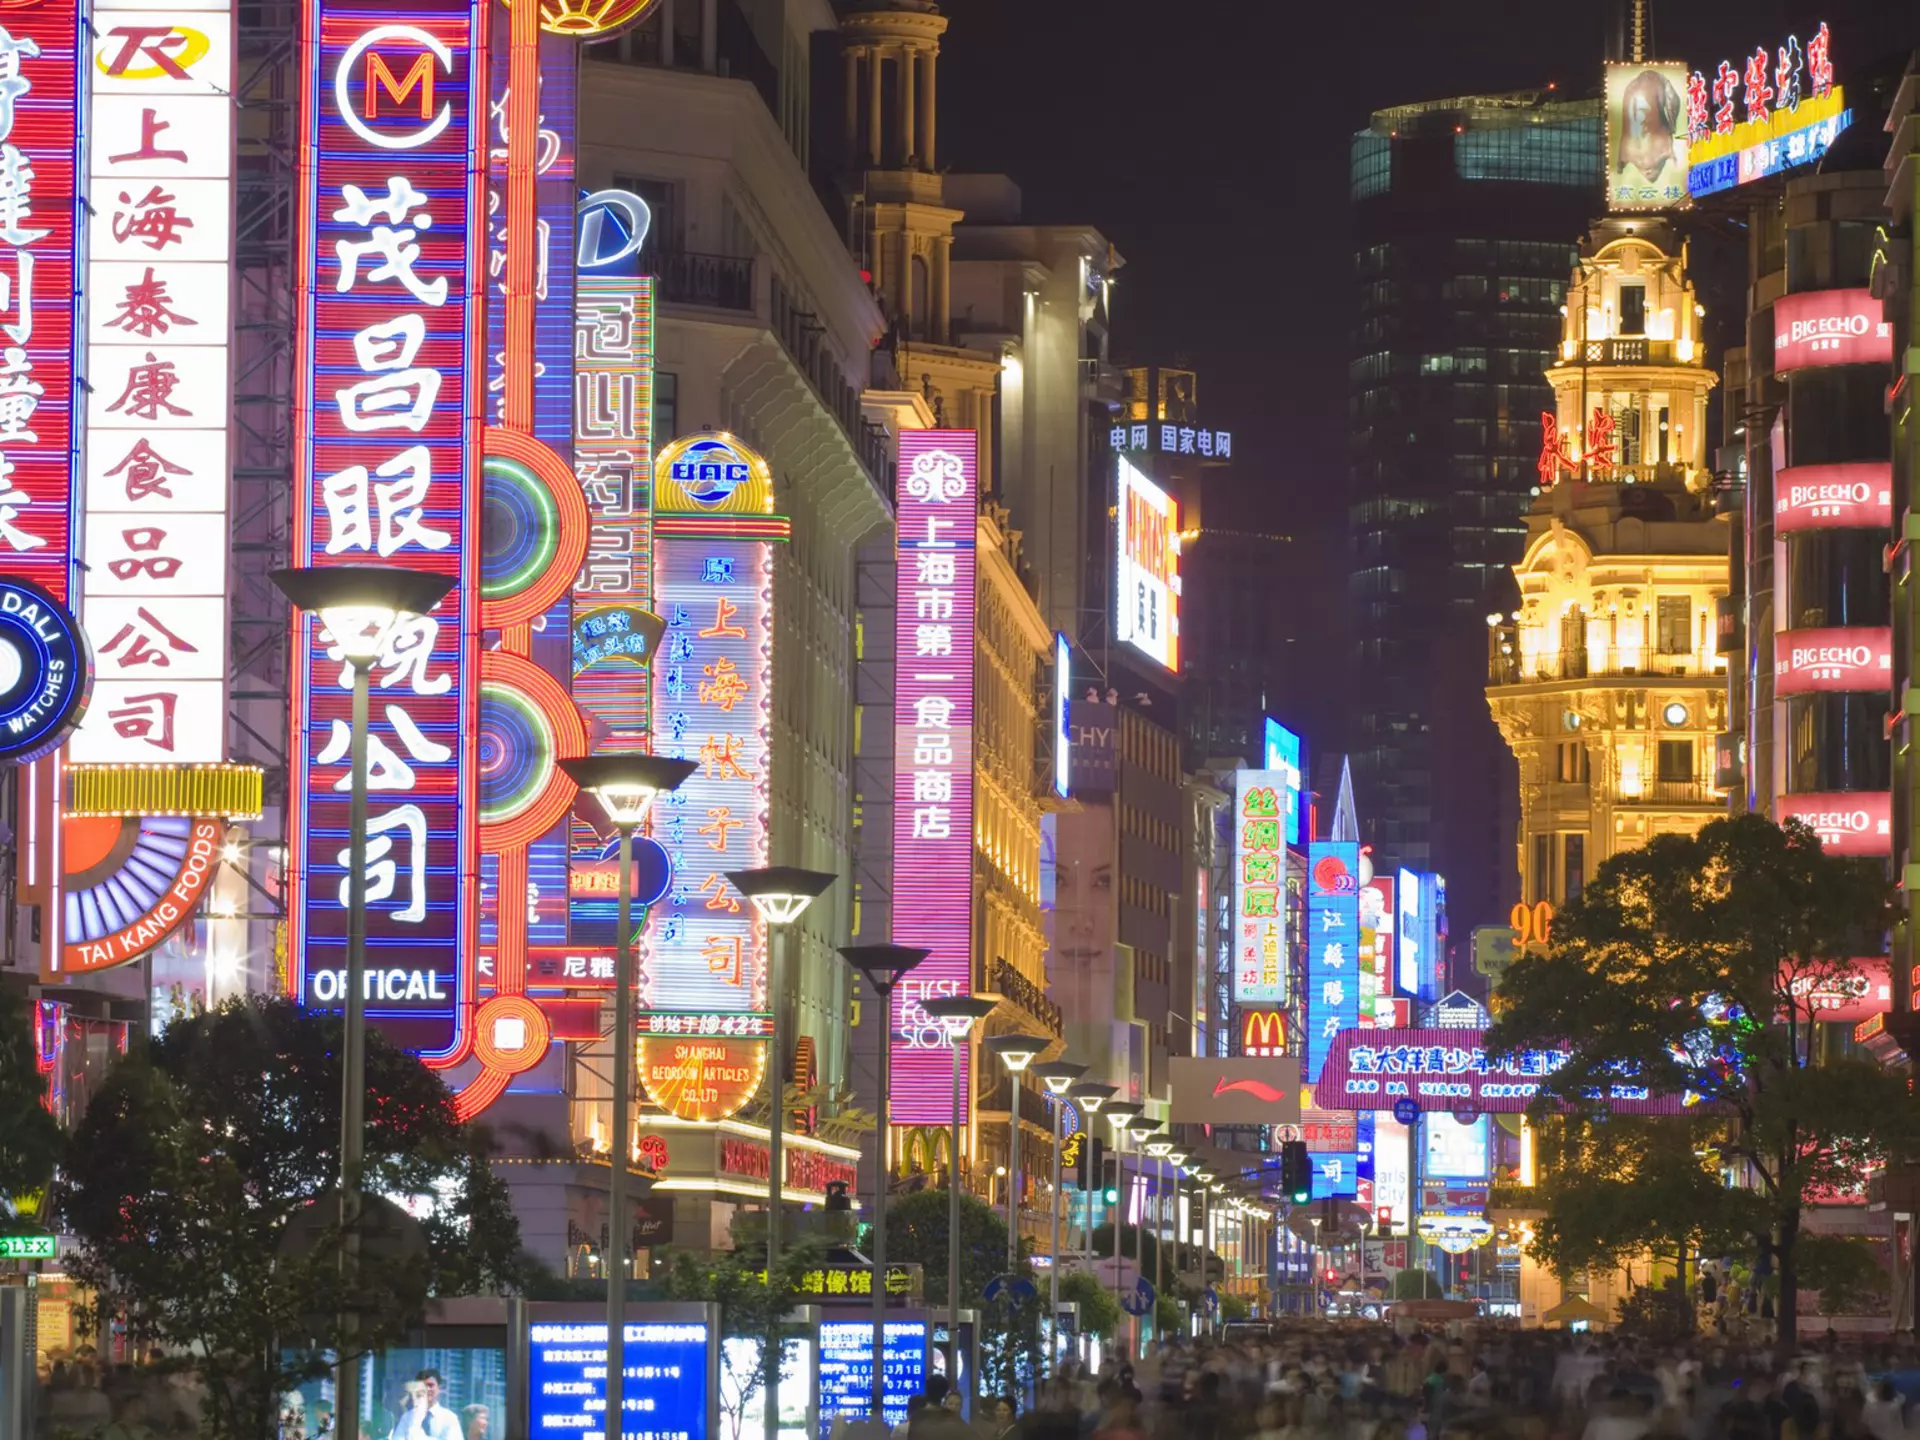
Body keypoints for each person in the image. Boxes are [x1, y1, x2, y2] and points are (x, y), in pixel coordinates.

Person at [387, 1370, 463, 1440]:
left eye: (430, 1385)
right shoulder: (407, 1418)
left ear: (439, 1388)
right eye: (422, 1386)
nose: (427, 1389)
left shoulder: (449, 1418)